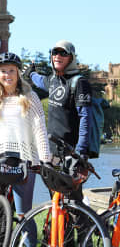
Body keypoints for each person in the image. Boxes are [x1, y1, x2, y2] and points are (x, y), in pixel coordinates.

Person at [0, 52, 52, 247]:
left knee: (24, 213)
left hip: (23, 158)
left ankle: (29, 244)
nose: (7, 75)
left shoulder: (30, 97)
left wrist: (44, 158)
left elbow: (39, 128)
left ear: (18, 73)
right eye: (3, 71)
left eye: (11, 71)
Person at [26, 40, 92, 195]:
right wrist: (31, 73)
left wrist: (81, 152)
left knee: (73, 201)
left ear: (71, 58)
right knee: (55, 196)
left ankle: (82, 220)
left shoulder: (79, 82)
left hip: (71, 152)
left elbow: (85, 118)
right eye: (55, 52)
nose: (57, 56)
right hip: (51, 151)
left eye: (63, 53)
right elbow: (40, 81)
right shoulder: (53, 80)